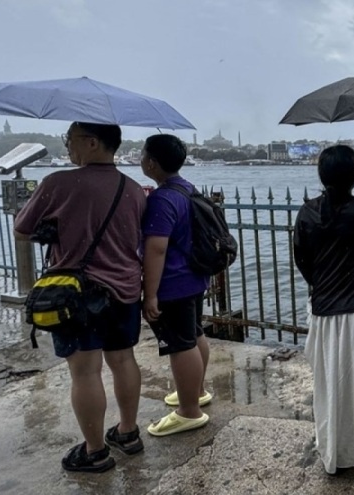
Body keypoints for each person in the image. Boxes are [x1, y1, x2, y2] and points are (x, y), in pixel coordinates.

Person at [14, 122, 146, 473]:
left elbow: (21, 229)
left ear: (91, 143)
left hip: (78, 295)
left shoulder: (58, 183)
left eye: (70, 140)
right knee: (123, 360)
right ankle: (129, 432)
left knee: (85, 372)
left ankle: (95, 450)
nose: (67, 147)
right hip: (127, 289)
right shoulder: (134, 190)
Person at [293, 145, 354, 479]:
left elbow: (302, 261)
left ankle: (335, 449)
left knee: (331, 384)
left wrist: (322, 284)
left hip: (325, 310)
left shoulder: (307, 213)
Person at [139, 134, 212, 436]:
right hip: (194, 277)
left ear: (152, 163)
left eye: (143, 155)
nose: (141, 159)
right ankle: (196, 390)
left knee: (180, 345)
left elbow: (156, 249)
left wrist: (150, 294)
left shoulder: (162, 199)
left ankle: (188, 410)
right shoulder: (187, 189)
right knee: (194, 335)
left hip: (173, 282)